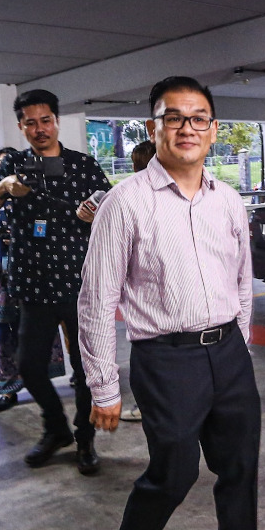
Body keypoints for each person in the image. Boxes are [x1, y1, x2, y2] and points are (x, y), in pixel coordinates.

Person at [79, 76, 265, 530]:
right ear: (155, 128)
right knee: (173, 473)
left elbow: (243, 281)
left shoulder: (228, 201)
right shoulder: (124, 204)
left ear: (214, 130)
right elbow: (97, 300)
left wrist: (239, 345)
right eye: (174, 117)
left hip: (228, 353)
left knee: (240, 465)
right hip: (166, 358)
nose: (187, 128)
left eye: (198, 118)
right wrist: (104, 388)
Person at [0, 89, 111, 475]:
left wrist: (93, 214)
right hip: (33, 285)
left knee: (85, 370)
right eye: (30, 122)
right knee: (29, 366)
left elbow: (112, 209)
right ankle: (56, 429)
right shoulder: (15, 166)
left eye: (46, 120)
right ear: (21, 126)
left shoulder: (84, 165)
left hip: (79, 282)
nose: (40, 129)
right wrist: (4, 188)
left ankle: (85, 438)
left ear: (56, 121)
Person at [0, 147, 65, 412]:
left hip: (33, 272)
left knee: (36, 326)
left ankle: (41, 382)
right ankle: (7, 389)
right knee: (2, 330)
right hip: (0, 273)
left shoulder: (33, 197)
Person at [117, 140, 156, 424]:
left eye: (136, 162)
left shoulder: (133, 198)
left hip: (148, 300)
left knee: (150, 359)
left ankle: (148, 406)